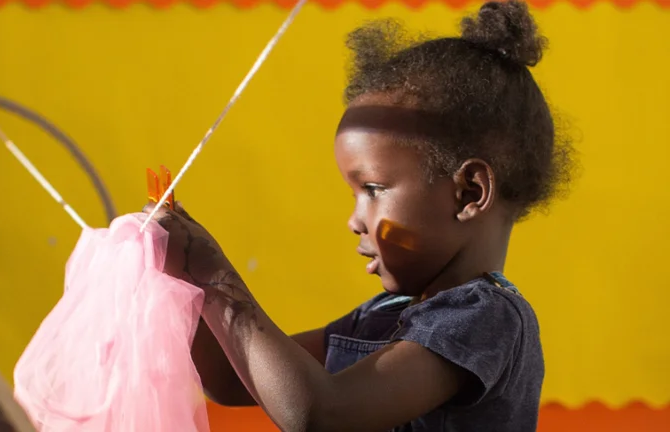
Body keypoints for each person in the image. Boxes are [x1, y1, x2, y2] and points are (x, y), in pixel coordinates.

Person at [144, 1, 574, 430]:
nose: (354, 220)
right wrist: (180, 276)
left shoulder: (486, 319)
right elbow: (229, 380)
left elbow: (321, 414)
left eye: (373, 189)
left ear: (468, 193)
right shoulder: (381, 315)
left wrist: (211, 271)